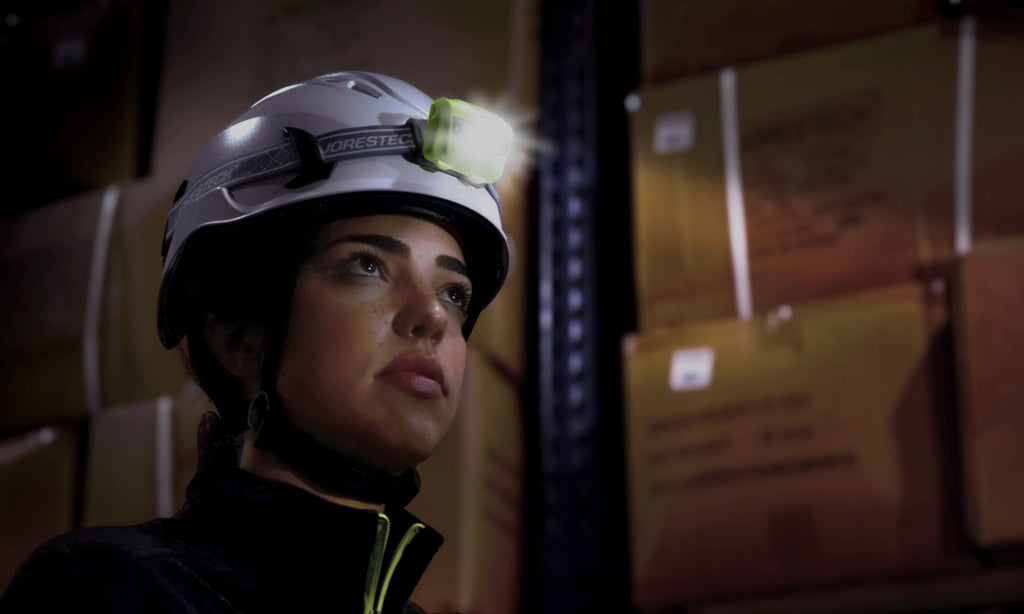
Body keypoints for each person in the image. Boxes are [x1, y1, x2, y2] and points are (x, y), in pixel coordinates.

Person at [0, 70, 512, 613]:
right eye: (367, 265)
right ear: (238, 336)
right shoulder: (104, 588)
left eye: (455, 293)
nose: (432, 315)